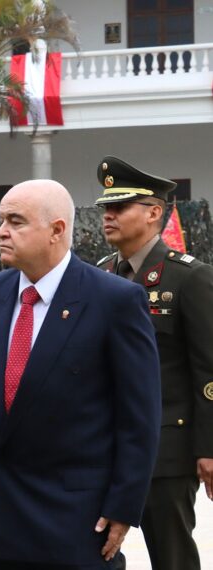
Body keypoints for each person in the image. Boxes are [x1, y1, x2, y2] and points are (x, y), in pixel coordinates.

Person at [0, 179, 160, 569]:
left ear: (57, 230)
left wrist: (123, 506)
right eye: (2, 220)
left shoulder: (114, 300)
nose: (1, 231)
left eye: (16, 222)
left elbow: (139, 417)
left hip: (77, 516)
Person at [92, 156, 213, 570]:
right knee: (97, 552)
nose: (108, 215)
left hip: (167, 450)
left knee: (172, 556)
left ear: (154, 212)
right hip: (105, 447)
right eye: (105, 207)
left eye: (119, 206)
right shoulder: (103, 274)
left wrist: (209, 448)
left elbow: (208, 371)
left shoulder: (189, 278)